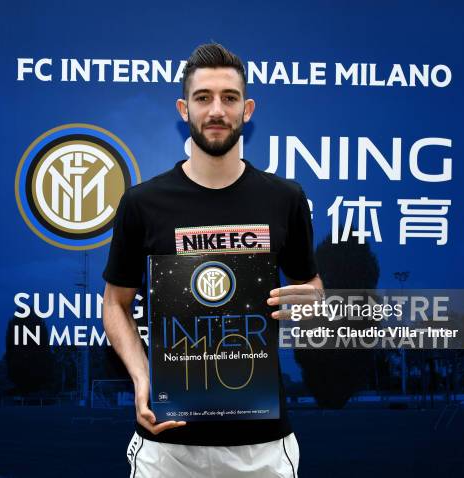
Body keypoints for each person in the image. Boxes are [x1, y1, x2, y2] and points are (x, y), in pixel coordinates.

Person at [102, 43, 323, 478]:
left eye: (229, 97)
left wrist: (310, 301)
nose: (216, 110)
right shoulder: (143, 203)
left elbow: (312, 288)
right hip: (167, 446)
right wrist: (142, 377)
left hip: (262, 448)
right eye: (203, 98)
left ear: (248, 108)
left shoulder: (286, 199)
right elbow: (115, 304)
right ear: (184, 109)